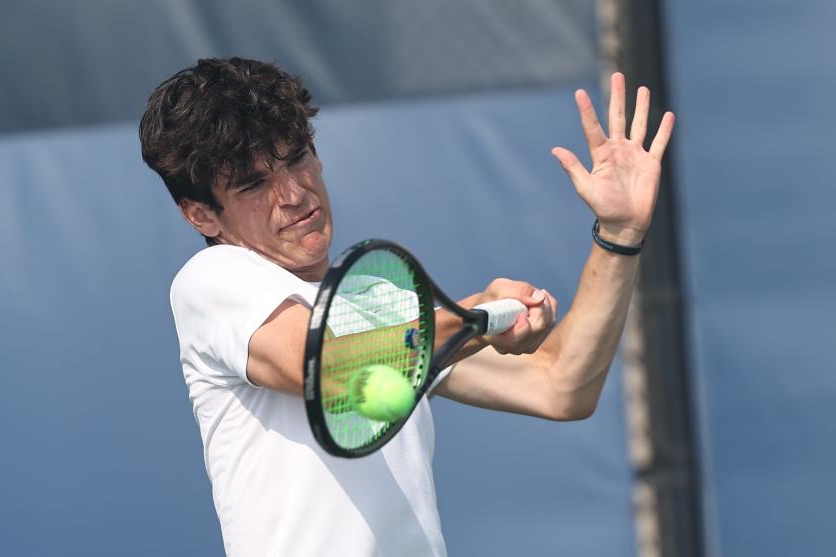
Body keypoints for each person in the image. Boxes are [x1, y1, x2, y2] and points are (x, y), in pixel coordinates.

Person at [139, 57, 673, 556]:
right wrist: (473, 318)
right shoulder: (211, 279)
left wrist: (619, 234)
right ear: (201, 216)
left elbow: (561, 387)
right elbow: (325, 367)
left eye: (296, 157)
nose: (293, 194)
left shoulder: (382, 306)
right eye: (255, 184)